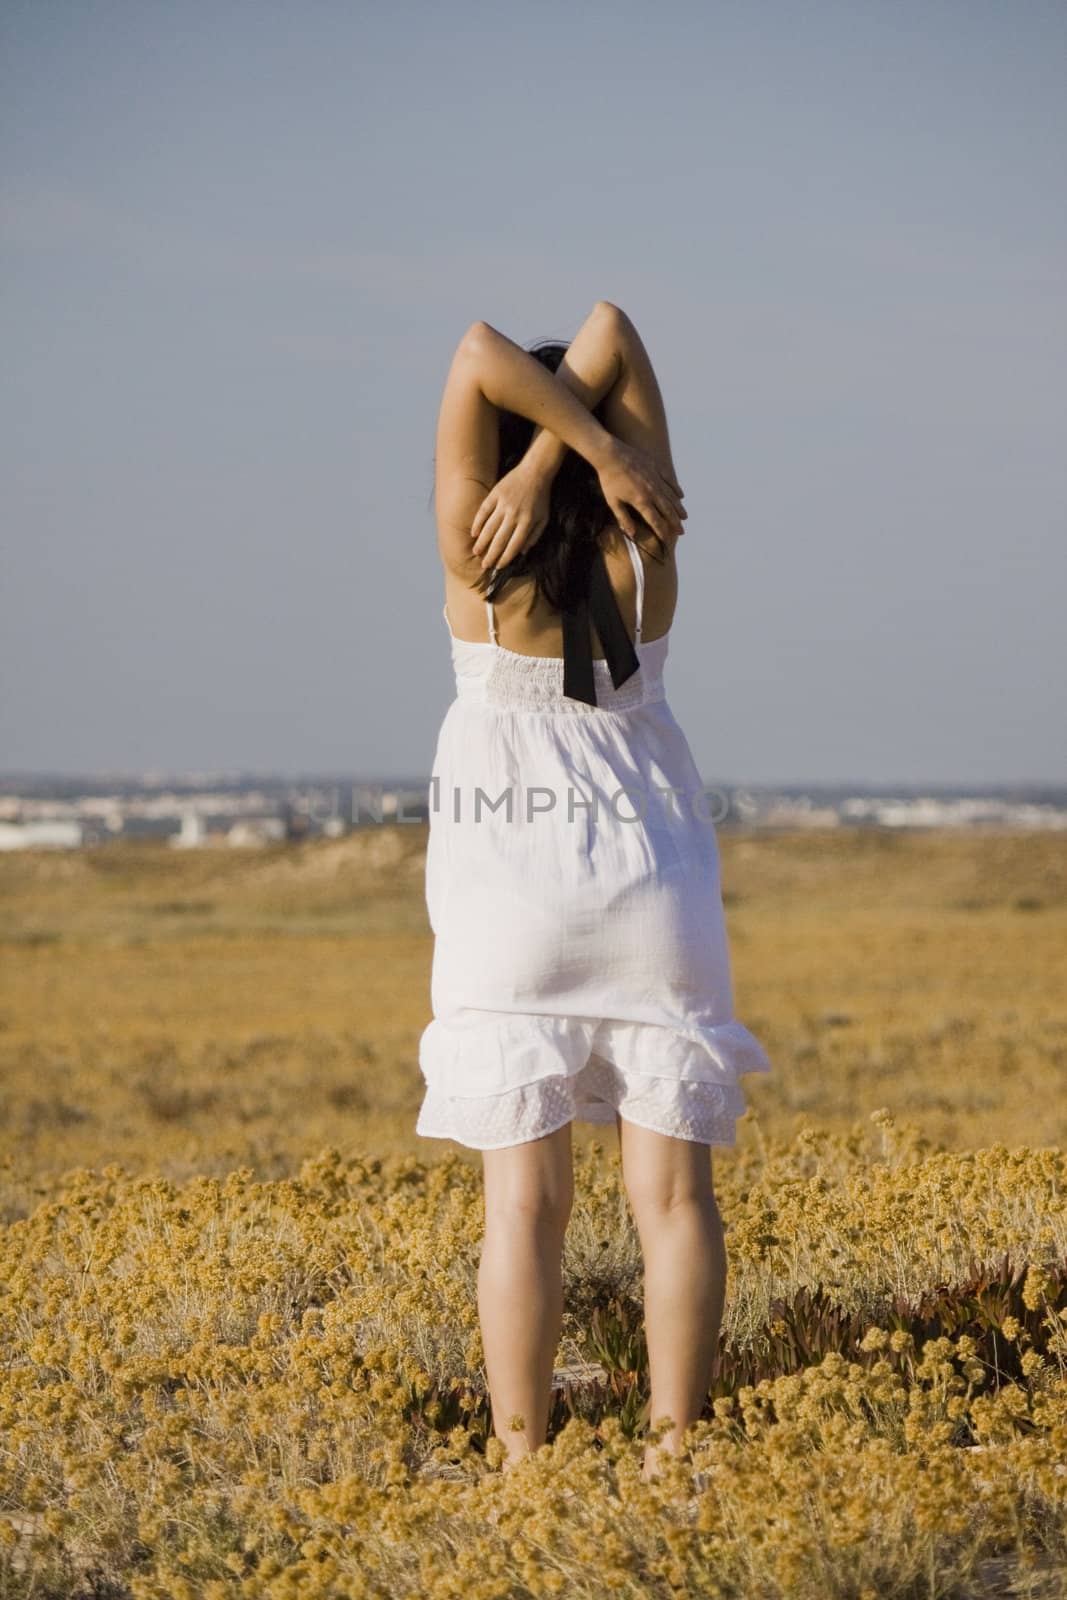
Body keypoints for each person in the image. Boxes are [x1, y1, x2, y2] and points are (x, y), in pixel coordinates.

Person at [416, 301, 773, 1481]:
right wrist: (598, 449)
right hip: (648, 880)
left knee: (523, 1208)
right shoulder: (646, 533)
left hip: (506, 895)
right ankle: (673, 1458)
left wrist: (536, 449)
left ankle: (524, 1472)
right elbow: (612, 324)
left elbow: (475, 350)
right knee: (670, 1199)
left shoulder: (480, 548)